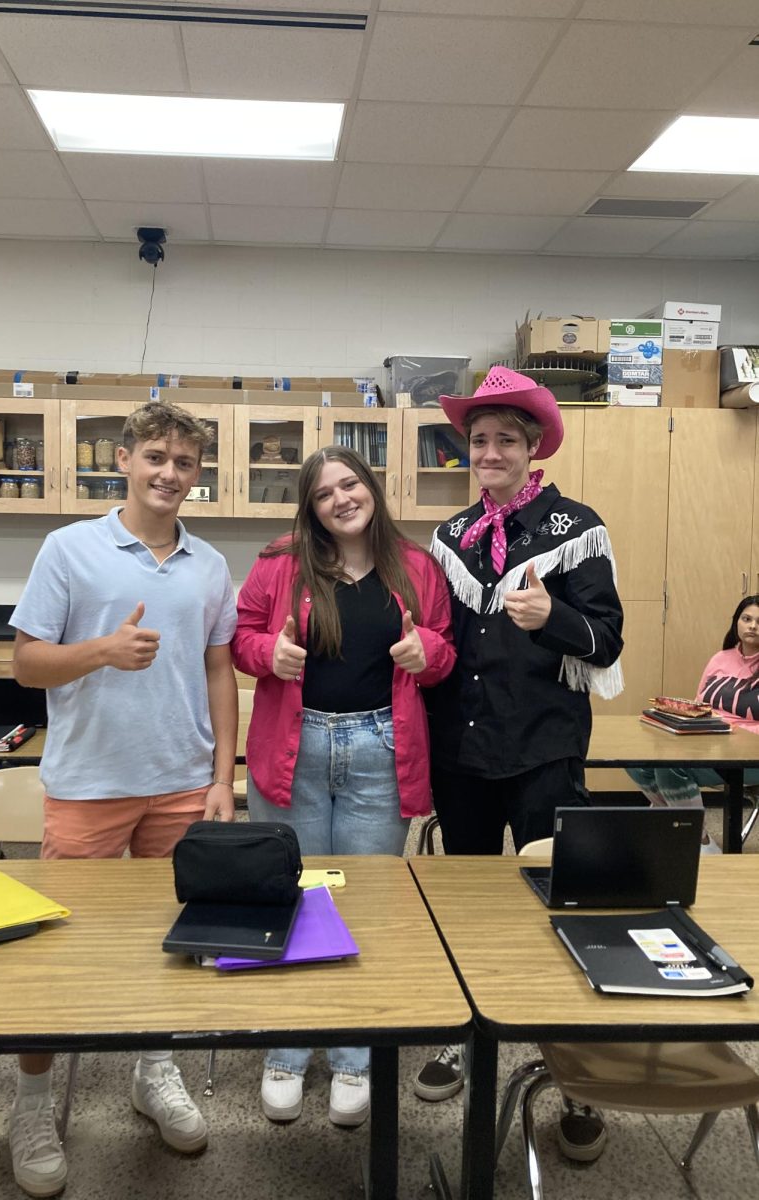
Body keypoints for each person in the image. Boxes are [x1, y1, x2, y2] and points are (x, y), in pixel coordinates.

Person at [8, 400, 238, 1198]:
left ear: (197, 475)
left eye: (185, 463)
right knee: (55, 956)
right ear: (126, 461)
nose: (169, 473)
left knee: (170, 942)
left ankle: (153, 1070)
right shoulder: (68, 548)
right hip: (89, 786)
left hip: (181, 783)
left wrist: (222, 778)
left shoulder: (209, 566)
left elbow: (219, 672)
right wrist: (100, 651)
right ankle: (32, 1103)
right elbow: (27, 665)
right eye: (156, 458)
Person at [415, 367, 624, 1165]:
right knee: (464, 907)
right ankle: (466, 1039)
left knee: (553, 906)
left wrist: (555, 618)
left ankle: (573, 1073)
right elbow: (437, 640)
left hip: (543, 747)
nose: (490, 451)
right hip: (463, 752)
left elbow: (607, 642)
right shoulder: (452, 536)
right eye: (478, 440)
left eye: (506, 439)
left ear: (532, 447)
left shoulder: (578, 526)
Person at [233, 445, 456, 1128]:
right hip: (293, 751)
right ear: (311, 507)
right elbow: (240, 639)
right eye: (324, 492)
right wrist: (267, 653)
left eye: (350, 484)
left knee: (364, 904)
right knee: (294, 898)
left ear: (372, 488)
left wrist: (429, 656)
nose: (340, 499)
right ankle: (289, 1051)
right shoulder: (278, 562)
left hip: (378, 749)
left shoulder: (416, 567)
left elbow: (445, 650)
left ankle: (355, 1055)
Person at [628, 595, 759, 849]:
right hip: (713, 745)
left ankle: (699, 841)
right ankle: (674, 824)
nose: (752, 626)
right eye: (747, 619)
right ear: (736, 623)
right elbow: (700, 705)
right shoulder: (721, 659)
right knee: (639, 761)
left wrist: (737, 732)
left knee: (671, 768)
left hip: (751, 755)